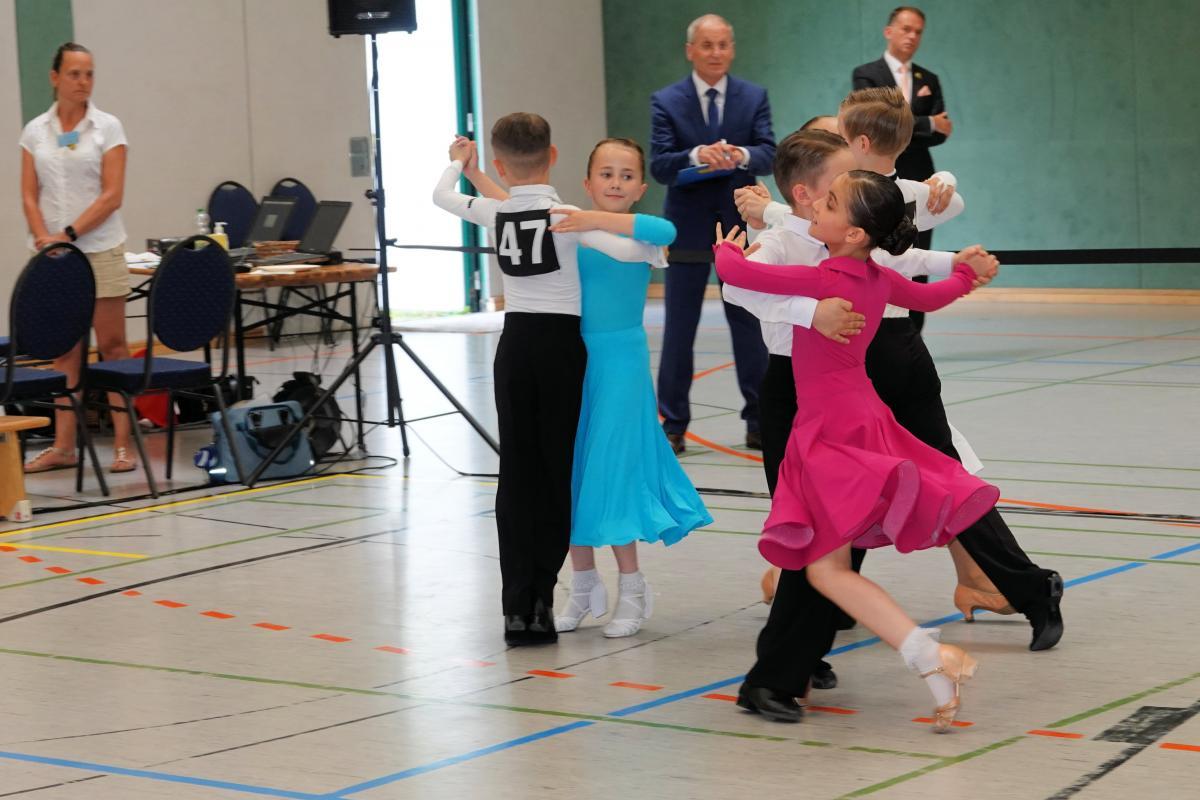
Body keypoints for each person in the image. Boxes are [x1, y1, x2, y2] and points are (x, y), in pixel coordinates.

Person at [731, 101, 1062, 724]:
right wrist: (811, 313)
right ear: (808, 196)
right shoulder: (780, 239)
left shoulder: (851, 239)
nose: (856, 190)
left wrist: (957, 266)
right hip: (793, 395)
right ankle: (795, 666)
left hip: (846, 395)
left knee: (833, 542)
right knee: (813, 544)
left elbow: (903, 266)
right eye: (840, 184)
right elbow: (738, 285)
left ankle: (787, 670)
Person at [713, 169, 999, 731]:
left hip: (830, 431)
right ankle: (931, 665)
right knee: (829, 570)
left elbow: (736, 273)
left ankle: (930, 655)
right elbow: (930, 295)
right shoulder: (875, 276)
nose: (819, 205)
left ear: (854, 234)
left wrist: (726, 247)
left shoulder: (825, 278)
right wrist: (966, 275)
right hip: (860, 418)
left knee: (827, 571)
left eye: (832, 203)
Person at [431, 114, 668, 646]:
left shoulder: (504, 213)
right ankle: (570, 584)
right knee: (563, 470)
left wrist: (460, 166)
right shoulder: (567, 218)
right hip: (563, 348)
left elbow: (450, 198)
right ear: (556, 157)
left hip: (520, 347)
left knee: (530, 473)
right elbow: (632, 247)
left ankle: (535, 602)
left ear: (499, 163)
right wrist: (616, 234)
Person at [548, 139, 713, 638]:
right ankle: (582, 584)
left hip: (620, 363)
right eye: (606, 174)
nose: (615, 183)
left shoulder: (640, 237)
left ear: (641, 187)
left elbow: (668, 230)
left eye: (626, 176)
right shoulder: (571, 229)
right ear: (587, 182)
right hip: (573, 359)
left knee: (613, 471)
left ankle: (633, 587)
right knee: (572, 472)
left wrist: (590, 219)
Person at [649, 13, 775, 454]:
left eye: (723, 44)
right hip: (685, 229)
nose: (716, 53)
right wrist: (697, 155)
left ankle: (759, 420)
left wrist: (738, 155)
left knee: (748, 324)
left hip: (739, 225)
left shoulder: (753, 96)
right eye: (707, 45)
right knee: (679, 328)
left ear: (732, 49)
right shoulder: (666, 101)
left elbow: (769, 153)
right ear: (691, 50)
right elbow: (660, 166)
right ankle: (673, 424)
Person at [20, 42, 136, 475]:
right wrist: (44, 238)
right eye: (74, 74)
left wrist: (67, 234)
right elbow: (29, 193)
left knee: (113, 346)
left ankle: (123, 445)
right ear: (55, 78)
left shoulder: (108, 127)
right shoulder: (35, 131)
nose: (83, 82)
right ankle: (64, 446)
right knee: (65, 351)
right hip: (55, 258)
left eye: (88, 74)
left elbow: (112, 195)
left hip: (99, 247)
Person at [852, 6, 951, 332]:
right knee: (879, 253)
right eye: (906, 29)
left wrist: (918, 127)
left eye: (918, 31)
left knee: (918, 255)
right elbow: (875, 121)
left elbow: (941, 132)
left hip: (919, 174)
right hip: (878, 179)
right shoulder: (866, 74)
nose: (912, 36)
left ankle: (913, 333)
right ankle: (875, 328)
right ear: (889, 31)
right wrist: (925, 122)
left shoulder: (929, 79)